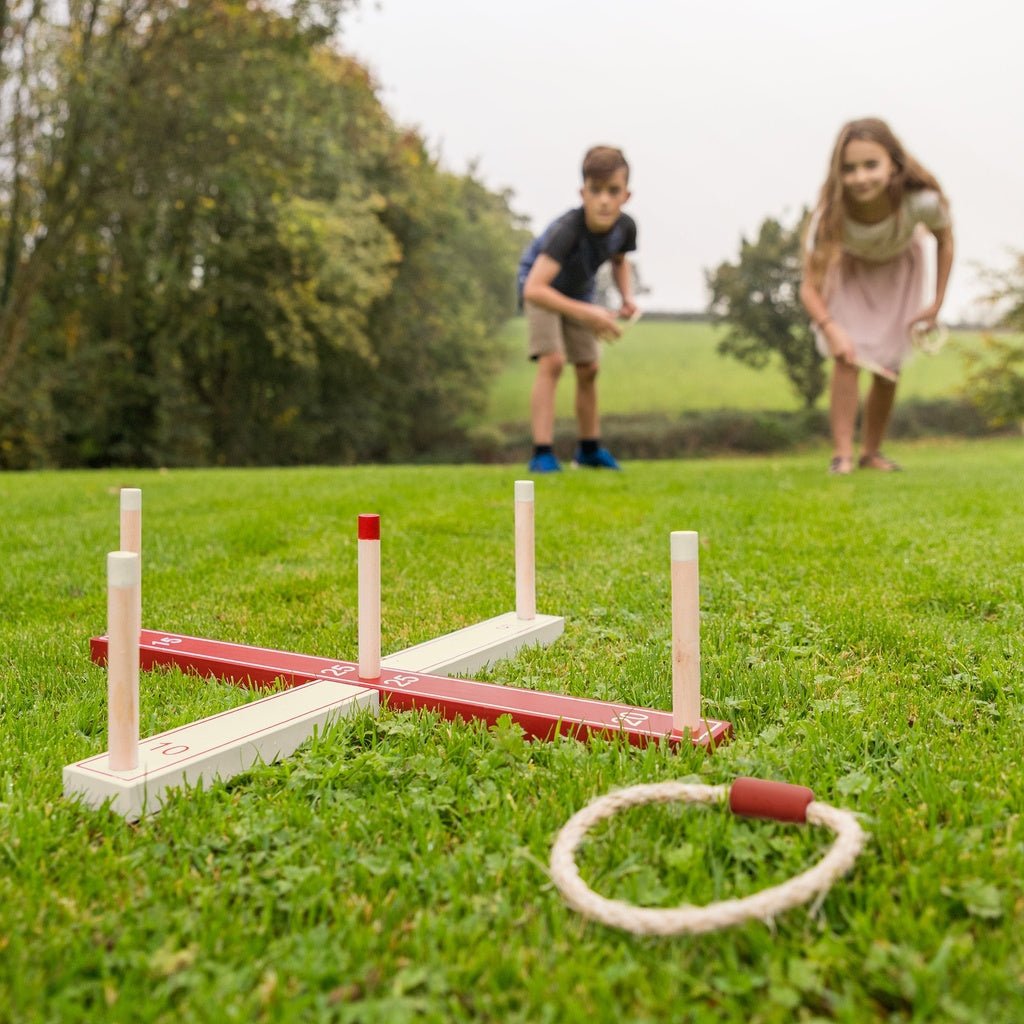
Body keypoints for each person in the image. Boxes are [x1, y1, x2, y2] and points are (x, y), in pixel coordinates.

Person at [800, 117, 954, 474]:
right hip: (850, 276)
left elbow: (945, 240)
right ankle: (842, 455)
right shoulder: (832, 216)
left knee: (888, 366)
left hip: (899, 275)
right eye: (849, 169)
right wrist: (829, 328)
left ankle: (871, 452)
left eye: (871, 165)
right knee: (847, 358)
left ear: (893, 165)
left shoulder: (922, 202)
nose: (860, 177)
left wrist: (936, 302)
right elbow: (809, 286)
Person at [518, 145, 639, 472]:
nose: (604, 200)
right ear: (582, 192)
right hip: (541, 289)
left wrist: (626, 297)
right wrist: (588, 313)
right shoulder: (568, 231)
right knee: (553, 361)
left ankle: (588, 450)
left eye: (613, 191)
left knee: (589, 367)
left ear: (626, 195)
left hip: (579, 291)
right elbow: (534, 288)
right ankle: (542, 453)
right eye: (595, 190)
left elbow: (619, 260)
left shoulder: (625, 227)